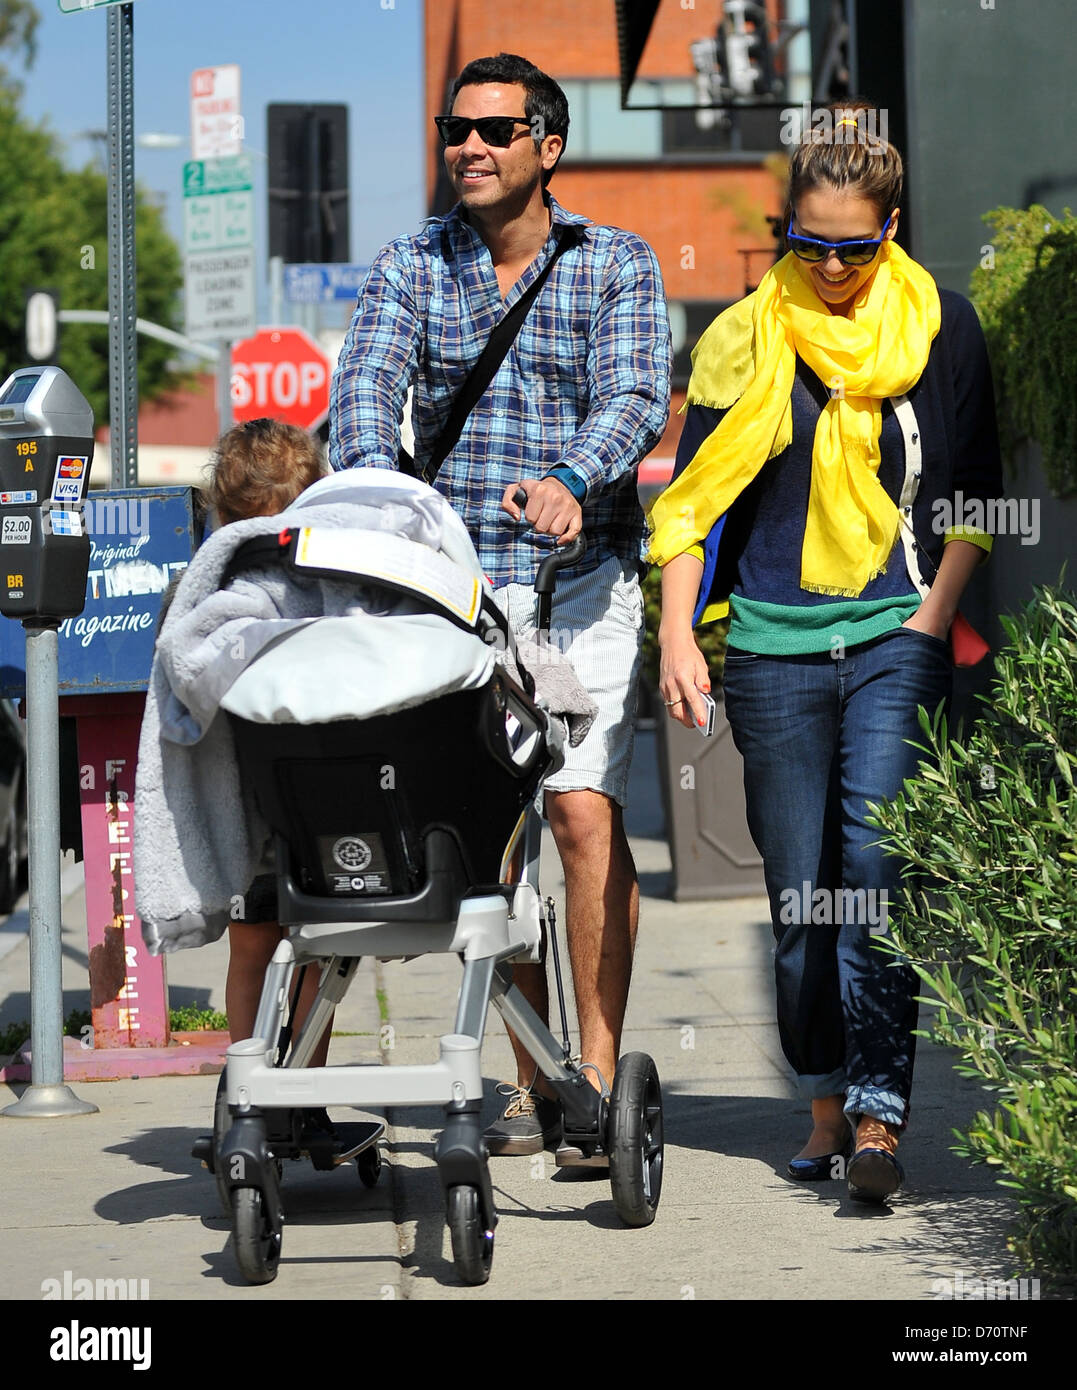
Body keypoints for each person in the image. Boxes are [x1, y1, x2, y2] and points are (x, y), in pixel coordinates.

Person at [649, 104, 1002, 1202]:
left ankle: (880, 1117)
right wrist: (675, 630)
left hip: (895, 638)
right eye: (812, 245)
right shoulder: (740, 336)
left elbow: (975, 492)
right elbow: (690, 505)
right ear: (786, 230)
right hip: (771, 651)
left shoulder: (942, 325)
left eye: (856, 246)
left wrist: (932, 618)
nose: (835, 268)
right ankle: (821, 1103)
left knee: (878, 875)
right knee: (803, 898)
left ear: (891, 228)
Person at [330, 53, 671, 1165]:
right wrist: (378, 500)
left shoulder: (614, 260)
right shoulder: (409, 265)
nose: (469, 146)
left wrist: (572, 477)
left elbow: (637, 395)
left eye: (494, 129)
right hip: (457, 595)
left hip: (579, 588)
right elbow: (365, 388)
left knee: (578, 812)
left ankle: (598, 1076)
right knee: (496, 837)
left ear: (548, 147)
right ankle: (535, 1082)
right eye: (455, 129)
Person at [201, 418, 331, 1075]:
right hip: (326, 800)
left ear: (221, 511)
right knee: (317, 955)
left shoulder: (211, 592)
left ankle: (247, 1083)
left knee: (250, 949)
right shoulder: (331, 583)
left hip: (248, 806)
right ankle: (304, 1090)